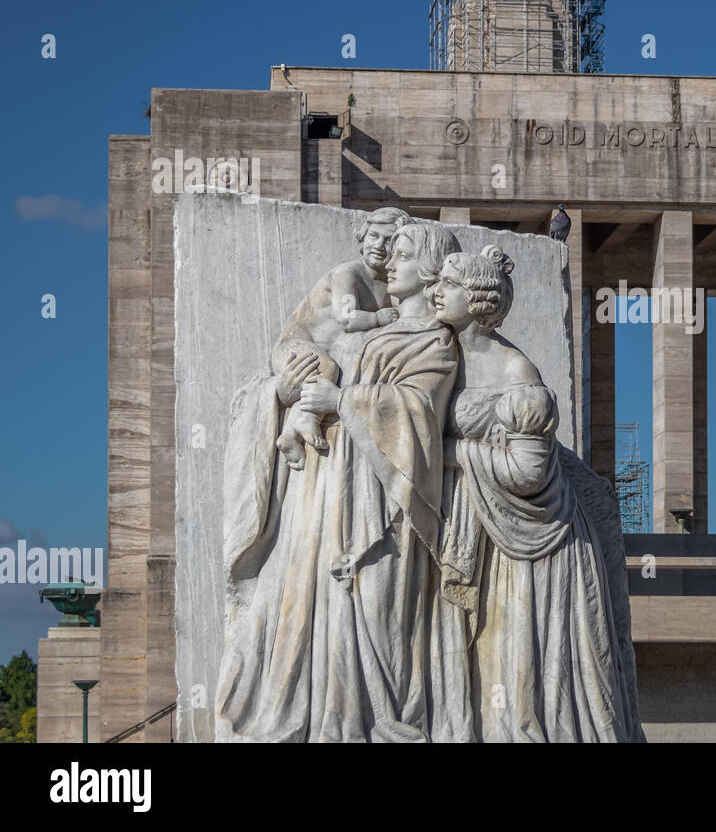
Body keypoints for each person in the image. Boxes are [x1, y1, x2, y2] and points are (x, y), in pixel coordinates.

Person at [216, 221, 461, 742]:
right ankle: (326, 719)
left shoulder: (436, 342)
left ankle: (369, 723)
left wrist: (342, 403)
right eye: (389, 252)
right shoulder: (369, 331)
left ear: (431, 271)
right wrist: (288, 397)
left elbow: (420, 411)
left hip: (384, 503)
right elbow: (301, 372)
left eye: (404, 254)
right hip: (325, 491)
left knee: (378, 619)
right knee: (310, 610)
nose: (389, 262)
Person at [429, 245, 643, 741]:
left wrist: (449, 453)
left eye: (450, 285)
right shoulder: (441, 357)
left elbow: (528, 474)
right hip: (481, 531)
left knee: (521, 666)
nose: (437, 292)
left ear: (479, 298)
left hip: (537, 547)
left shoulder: (515, 373)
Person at [271, 207, 410, 469]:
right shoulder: (348, 273)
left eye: (388, 239)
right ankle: (304, 419)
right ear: (363, 237)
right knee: (327, 368)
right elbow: (346, 317)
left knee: (332, 369)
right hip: (297, 349)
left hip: (328, 355)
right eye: (373, 236)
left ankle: (290, 434)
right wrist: (380, 318)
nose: (379, 245)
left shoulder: (390, 285)